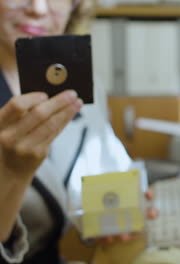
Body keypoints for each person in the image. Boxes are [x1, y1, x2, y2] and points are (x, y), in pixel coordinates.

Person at [0, 0, 157, 262]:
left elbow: (101, 174)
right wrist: (10, 175)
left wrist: (116, 212)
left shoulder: (84, 86)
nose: (38, 8)